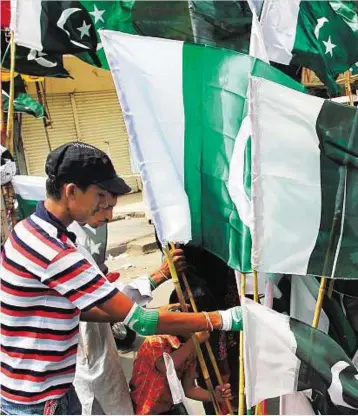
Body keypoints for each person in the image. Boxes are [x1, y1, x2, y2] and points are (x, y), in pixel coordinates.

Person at [0, 142, 243, 415]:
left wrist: (153, 303)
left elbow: (81, 310)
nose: (108, 211)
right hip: (39, 398)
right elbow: (142, 322)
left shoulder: (28, 230)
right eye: (101, 198)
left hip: (42, 388)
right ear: (71, 191)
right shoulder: (54, 251)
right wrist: (224, 318)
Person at [69, 193, 187, 415]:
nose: (110, 216)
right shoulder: (64, 254)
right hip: (86, 375)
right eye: (104, 207)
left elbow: (113, 299)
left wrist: (156, 279)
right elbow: (109, 306)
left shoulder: (80, 244)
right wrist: (217, 321)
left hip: (105, 369)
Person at [130, 330, 232, 415]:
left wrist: (214, 396)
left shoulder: (191, 348)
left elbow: (190, 389)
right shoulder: (156, 340)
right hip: (143, 409)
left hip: (170, 408)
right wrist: (194, 341)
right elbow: (166, 367)